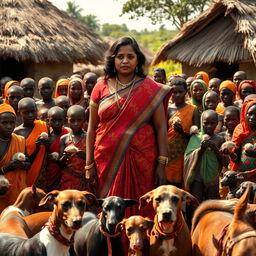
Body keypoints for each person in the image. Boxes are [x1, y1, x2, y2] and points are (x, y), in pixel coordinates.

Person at [86, 36, 170, 217]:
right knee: (109, 211)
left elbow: (161, 128)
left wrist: (162, 163)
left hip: (143, 160)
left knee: (142, 208)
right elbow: (92, 128)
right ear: (113, 60)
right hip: (106, 160)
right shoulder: (100, 86)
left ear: (138, 59)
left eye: (130, 56)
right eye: (120, 56)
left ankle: (139, 244)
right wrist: (88, 164)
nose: (125, 61)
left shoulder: (150, 88)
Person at [184, 110, 224, 202]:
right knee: (196, 202)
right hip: (197, 175)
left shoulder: (220, 139)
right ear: (202, 123)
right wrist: (200, 150)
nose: (209, 126)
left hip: (213, 176)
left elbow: (223, 161)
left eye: (212, 123)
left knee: (212, 203)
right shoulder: (196, 137)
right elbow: (188, 156)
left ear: (217, 123)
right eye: (206, 123)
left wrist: (214, 148)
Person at [166, 77, 199, 188]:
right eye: (174, 92)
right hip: (168, 154)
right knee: (167, 183)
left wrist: (182, 132)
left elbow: (196, 138)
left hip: (185, 154)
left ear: (186, 92)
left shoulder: (193, 110)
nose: (177, 95)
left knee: (181, 184)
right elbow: (162, 132)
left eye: (180, 92)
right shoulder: (167, 109)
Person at [0, 104, 30, 212]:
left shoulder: (20, 140)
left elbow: (28, 164)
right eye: (4, 123)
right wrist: (7, 168)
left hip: (17, 196)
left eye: (12, 122)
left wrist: (22, 165)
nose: (9, 126)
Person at [14, 98, 48, 188]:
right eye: (26, 112)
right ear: (19, 112)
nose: (30, 115)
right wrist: (37, 149)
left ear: (36, 110)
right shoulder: (16, 133)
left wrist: (47, 144)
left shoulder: (44, 126)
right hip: (25, 174)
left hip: (43, 174)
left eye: (33, 111)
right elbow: (22, 160)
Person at [59, 105, 90, 191]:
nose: (76, 124)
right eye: (72, 121)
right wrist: (65, 156)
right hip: (68, 177)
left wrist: (83, 155)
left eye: (79, 120)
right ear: (67, 119)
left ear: (84, 120)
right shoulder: (64, 139)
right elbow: (60, 163)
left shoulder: (88, 137)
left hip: (83, 178)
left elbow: (93, 159)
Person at [46, 107, 69, 192]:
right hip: (48, 174)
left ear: (64, 120)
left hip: (63, 175)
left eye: (60, 120)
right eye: (53, 120)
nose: (57, 123)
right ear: (48, 120)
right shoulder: (46, 135)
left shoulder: (68, 135)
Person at [230, 98, 256, 172]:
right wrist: (229, 152)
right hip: (241, 174)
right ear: (245, 113)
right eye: (250, 114)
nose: (253, 118)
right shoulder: (240, 130)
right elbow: (235, 158)